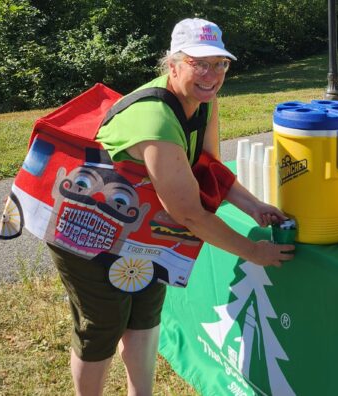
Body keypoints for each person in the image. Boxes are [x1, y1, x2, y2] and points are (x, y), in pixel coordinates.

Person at [48, 18, 294, 395]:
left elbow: (208, 167)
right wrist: (253, 251)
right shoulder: (156, 119)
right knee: (102, 325)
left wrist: (254, 205)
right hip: (88, 223)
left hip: (140, 225)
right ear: (173, 65)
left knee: (144, 315)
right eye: (200, 63)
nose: (211, 74)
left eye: (220, 63)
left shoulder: (204, 100)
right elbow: (188, 214)